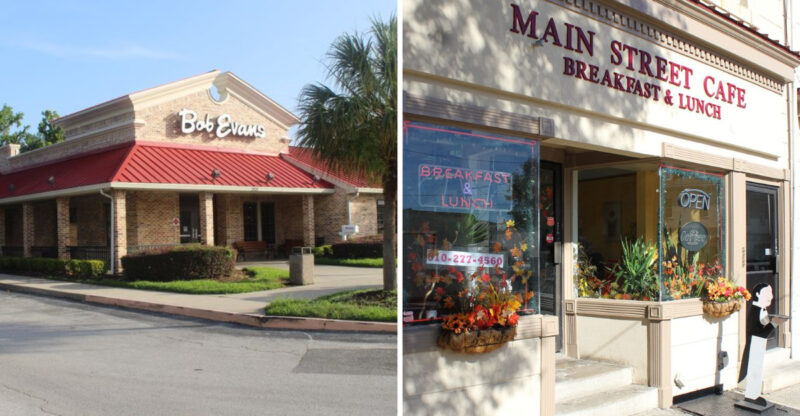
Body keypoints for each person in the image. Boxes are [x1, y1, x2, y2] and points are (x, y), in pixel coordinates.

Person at [738, 283, 775, 388]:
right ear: (758, 294)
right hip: (754, 346)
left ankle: (753, 393)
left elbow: (763, 326)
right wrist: (774, 324)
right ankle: (751, 393)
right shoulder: (755, 311)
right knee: (753, 370)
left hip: (759, 345)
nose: (771, 297)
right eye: (767, 293)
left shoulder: (763, 310)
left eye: (771, 293)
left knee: (757, 369)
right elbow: (757, 333)